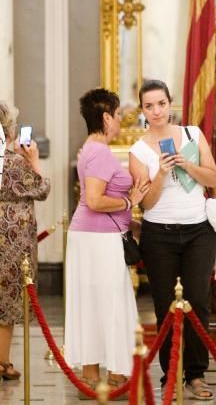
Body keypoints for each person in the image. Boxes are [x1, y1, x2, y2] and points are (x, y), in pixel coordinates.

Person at [129, 79, 216, 401]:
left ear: (171, 104)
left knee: (197, 300)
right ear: (142, 110)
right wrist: (162, 173)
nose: (156, 111)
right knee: (165, 305)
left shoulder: (193, 134)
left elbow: (213, 178)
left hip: (198, 231)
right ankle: (171, 372)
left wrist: (187, 164)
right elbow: (146, 204)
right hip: (159, 235)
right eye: (149, 106)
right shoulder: (138, 150)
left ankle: (196, 374)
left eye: (161, 104)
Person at [64, 88, 149, 397]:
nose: (119, 122)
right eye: (116, 115)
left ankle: (91, 373)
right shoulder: (99, 151)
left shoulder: (90, 149)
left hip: (91, 237)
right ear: (105, 117)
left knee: (92, 302)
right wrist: (130, 202)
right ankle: (114, 374)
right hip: (97, 240)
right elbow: (97, 201)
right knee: (112, 301)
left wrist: (132, 221)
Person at [0, 101, 50, 380]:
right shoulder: (16, 163)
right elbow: (42, 188)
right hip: (12, 244)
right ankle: (3, 361)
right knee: (6, 304)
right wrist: (34, 161)